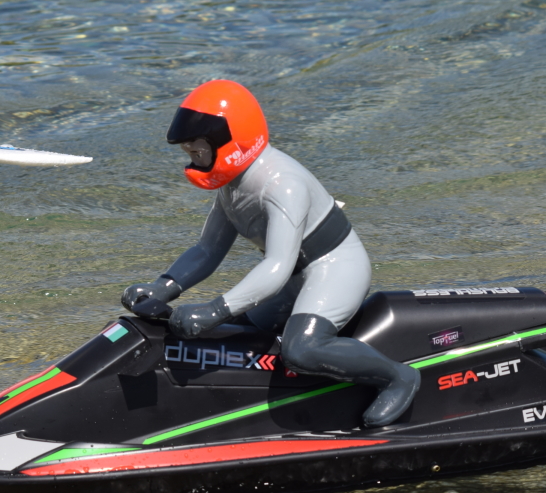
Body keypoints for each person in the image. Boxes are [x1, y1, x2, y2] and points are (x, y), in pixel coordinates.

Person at [122, 79, 420, 427]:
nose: (193, 159)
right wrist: (163, 287)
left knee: (301, 349)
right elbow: (208, 249)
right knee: (231, 333)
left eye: (197, 150)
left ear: (231, 142)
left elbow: (276, 265)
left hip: (334, 267)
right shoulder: (234, 184)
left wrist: (215, 308)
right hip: (295, 275)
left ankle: (397, 377)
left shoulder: (282, 184)